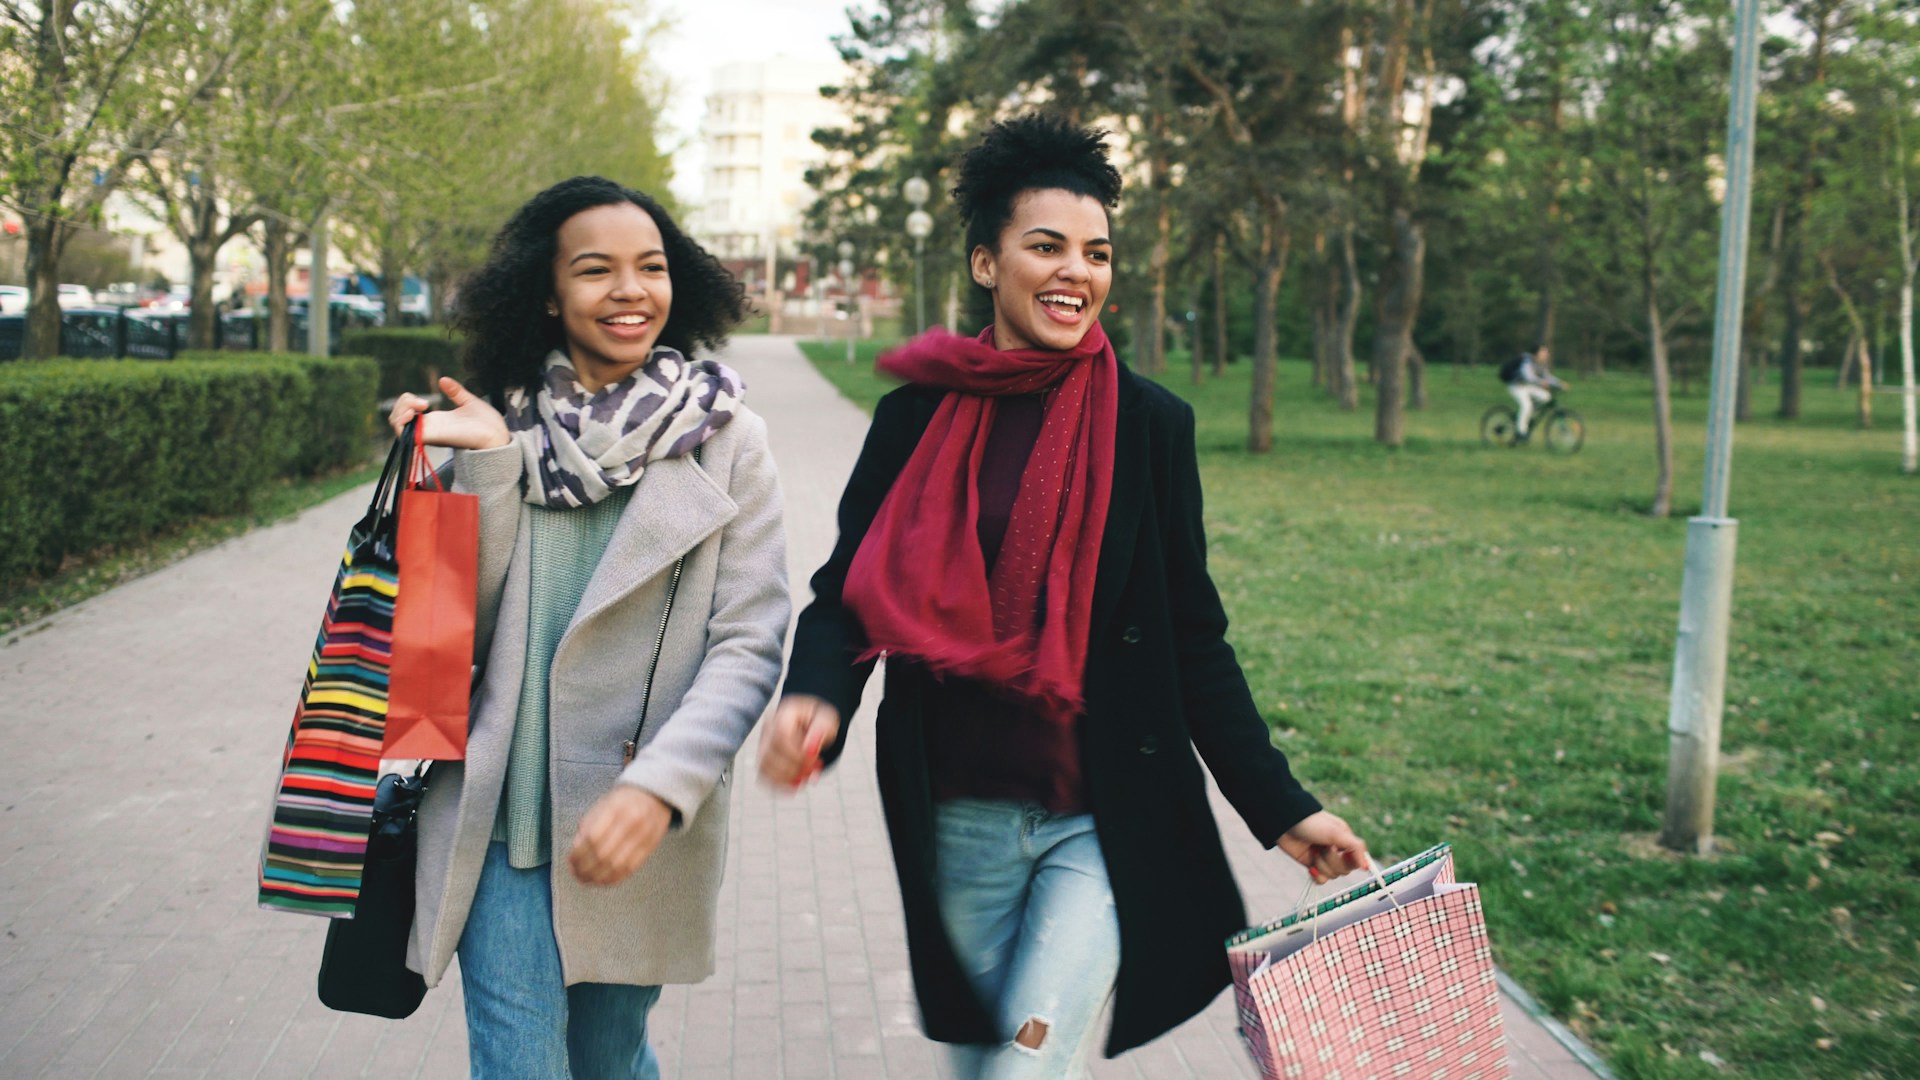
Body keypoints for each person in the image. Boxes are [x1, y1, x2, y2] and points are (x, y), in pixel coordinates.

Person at [762, 115, 1369, 1077]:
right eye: (1044, 246)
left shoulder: (1149, 425)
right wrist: (818, 700)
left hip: (1105, 811)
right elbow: (845, 598)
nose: (1074, 272)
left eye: (1096, 253)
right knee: (980, 1065)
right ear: (984, 263)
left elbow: (1191, 638)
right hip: (956, 807)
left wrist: (1279, 806)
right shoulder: (914, 415)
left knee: (1022, 1068)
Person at [387, 176, 790, 1078]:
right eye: (596, 270)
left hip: (630, 819)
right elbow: (443, 643)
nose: (629, 291)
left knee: (610, 1057)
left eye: (650, 267)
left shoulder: (730, 438)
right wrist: (482, 468)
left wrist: (662, 786)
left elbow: (750, 639)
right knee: (521, 1060)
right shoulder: (493, 428)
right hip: (495, 814)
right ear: (547, 292)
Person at [1501, 344, 1566, 440]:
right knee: (1527, 405)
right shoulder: (1526, 361)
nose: (1546, 355)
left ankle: (1528, 416)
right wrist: (1540, 382)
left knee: (1546, 397)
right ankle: (1521, 432)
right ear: (1536, 354)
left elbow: (1547, 376)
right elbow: (1528, 376)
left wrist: (1559, 383)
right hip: (1517, 387)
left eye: (1547, 352)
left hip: (1528, 386)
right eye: (1543, 352)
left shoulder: (1542, 364)